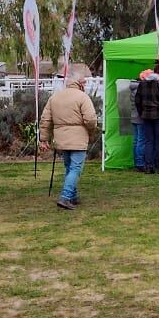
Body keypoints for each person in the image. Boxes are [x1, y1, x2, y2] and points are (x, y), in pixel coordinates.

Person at [39, 65, 98, 211]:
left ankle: (73, 196)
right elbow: (90, 119)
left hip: (61, 139)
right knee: (76, 168)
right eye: (83, 82)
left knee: (69, 167)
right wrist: (91, 131)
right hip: (78, 138)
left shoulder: (55, 97)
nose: (85, 84)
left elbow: (45, 119)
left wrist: (44, 139)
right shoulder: (82, 97)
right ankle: (65, 197)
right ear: (78, 83)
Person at [134, 67, 159, 174]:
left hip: (146, 115)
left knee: (148, 141)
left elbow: (137, 100)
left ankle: (149, 166)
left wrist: (142, 112)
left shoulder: (142, 84)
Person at [129, 76, 146, 171]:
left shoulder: (132, 87)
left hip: (133, 116)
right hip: (140, 117)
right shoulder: (140, 89)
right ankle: (140, 163)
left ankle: (136, 162)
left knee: (136, 141)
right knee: (141, 141)